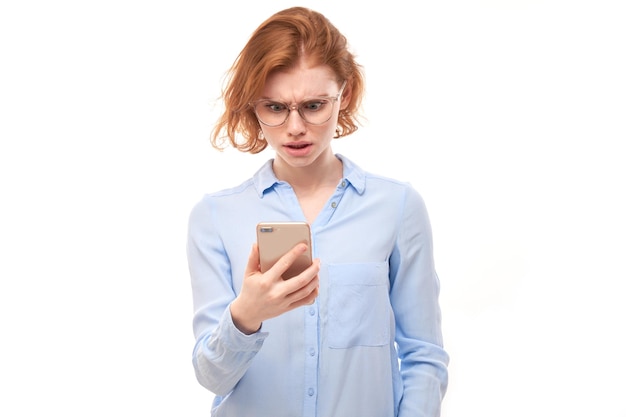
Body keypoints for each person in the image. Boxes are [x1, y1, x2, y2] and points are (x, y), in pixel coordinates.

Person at [186, 6, 449, 417]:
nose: (294, 127)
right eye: (274, 107)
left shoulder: (397, 207)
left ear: (344, 96)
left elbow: (424, 355)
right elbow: (212, 378)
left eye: (313, 105)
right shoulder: (216, 217)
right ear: (252, 107)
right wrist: (246, 315)